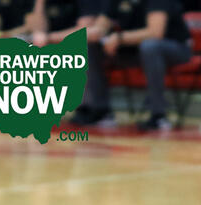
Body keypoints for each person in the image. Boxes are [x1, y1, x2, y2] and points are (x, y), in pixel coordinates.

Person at [76, 0, 191, 130]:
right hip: (133, 49)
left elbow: (155, 32)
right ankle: (100, 110)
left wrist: (120, 38)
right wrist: (97, 32)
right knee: (89, 45)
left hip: (174, 48)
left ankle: (159, 115)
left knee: (150, 46)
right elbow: (102, 23)